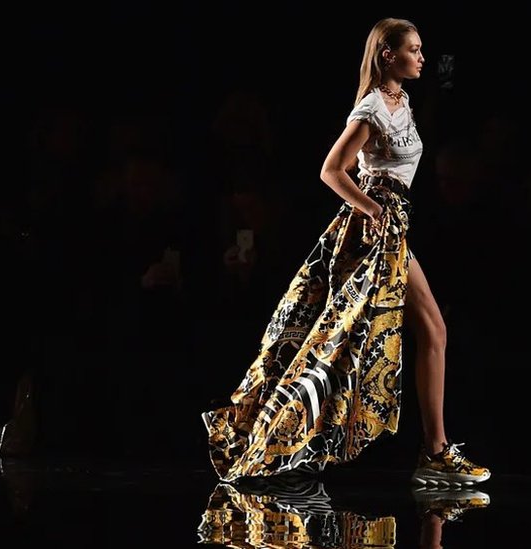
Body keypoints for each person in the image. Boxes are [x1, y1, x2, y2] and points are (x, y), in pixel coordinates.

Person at [201, 17, 490, 487]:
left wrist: (381, 198)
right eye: (413, 50)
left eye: (421, 49)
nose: (422, 57)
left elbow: (373, 165)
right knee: (341, 338)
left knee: (421, 331)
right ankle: (430, 451)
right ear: (388, 56)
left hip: (394, 228)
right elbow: (332, 170)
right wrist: (372, 207)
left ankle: (434, 451)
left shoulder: (402, 101)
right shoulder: (372, 107)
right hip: (376, 229)